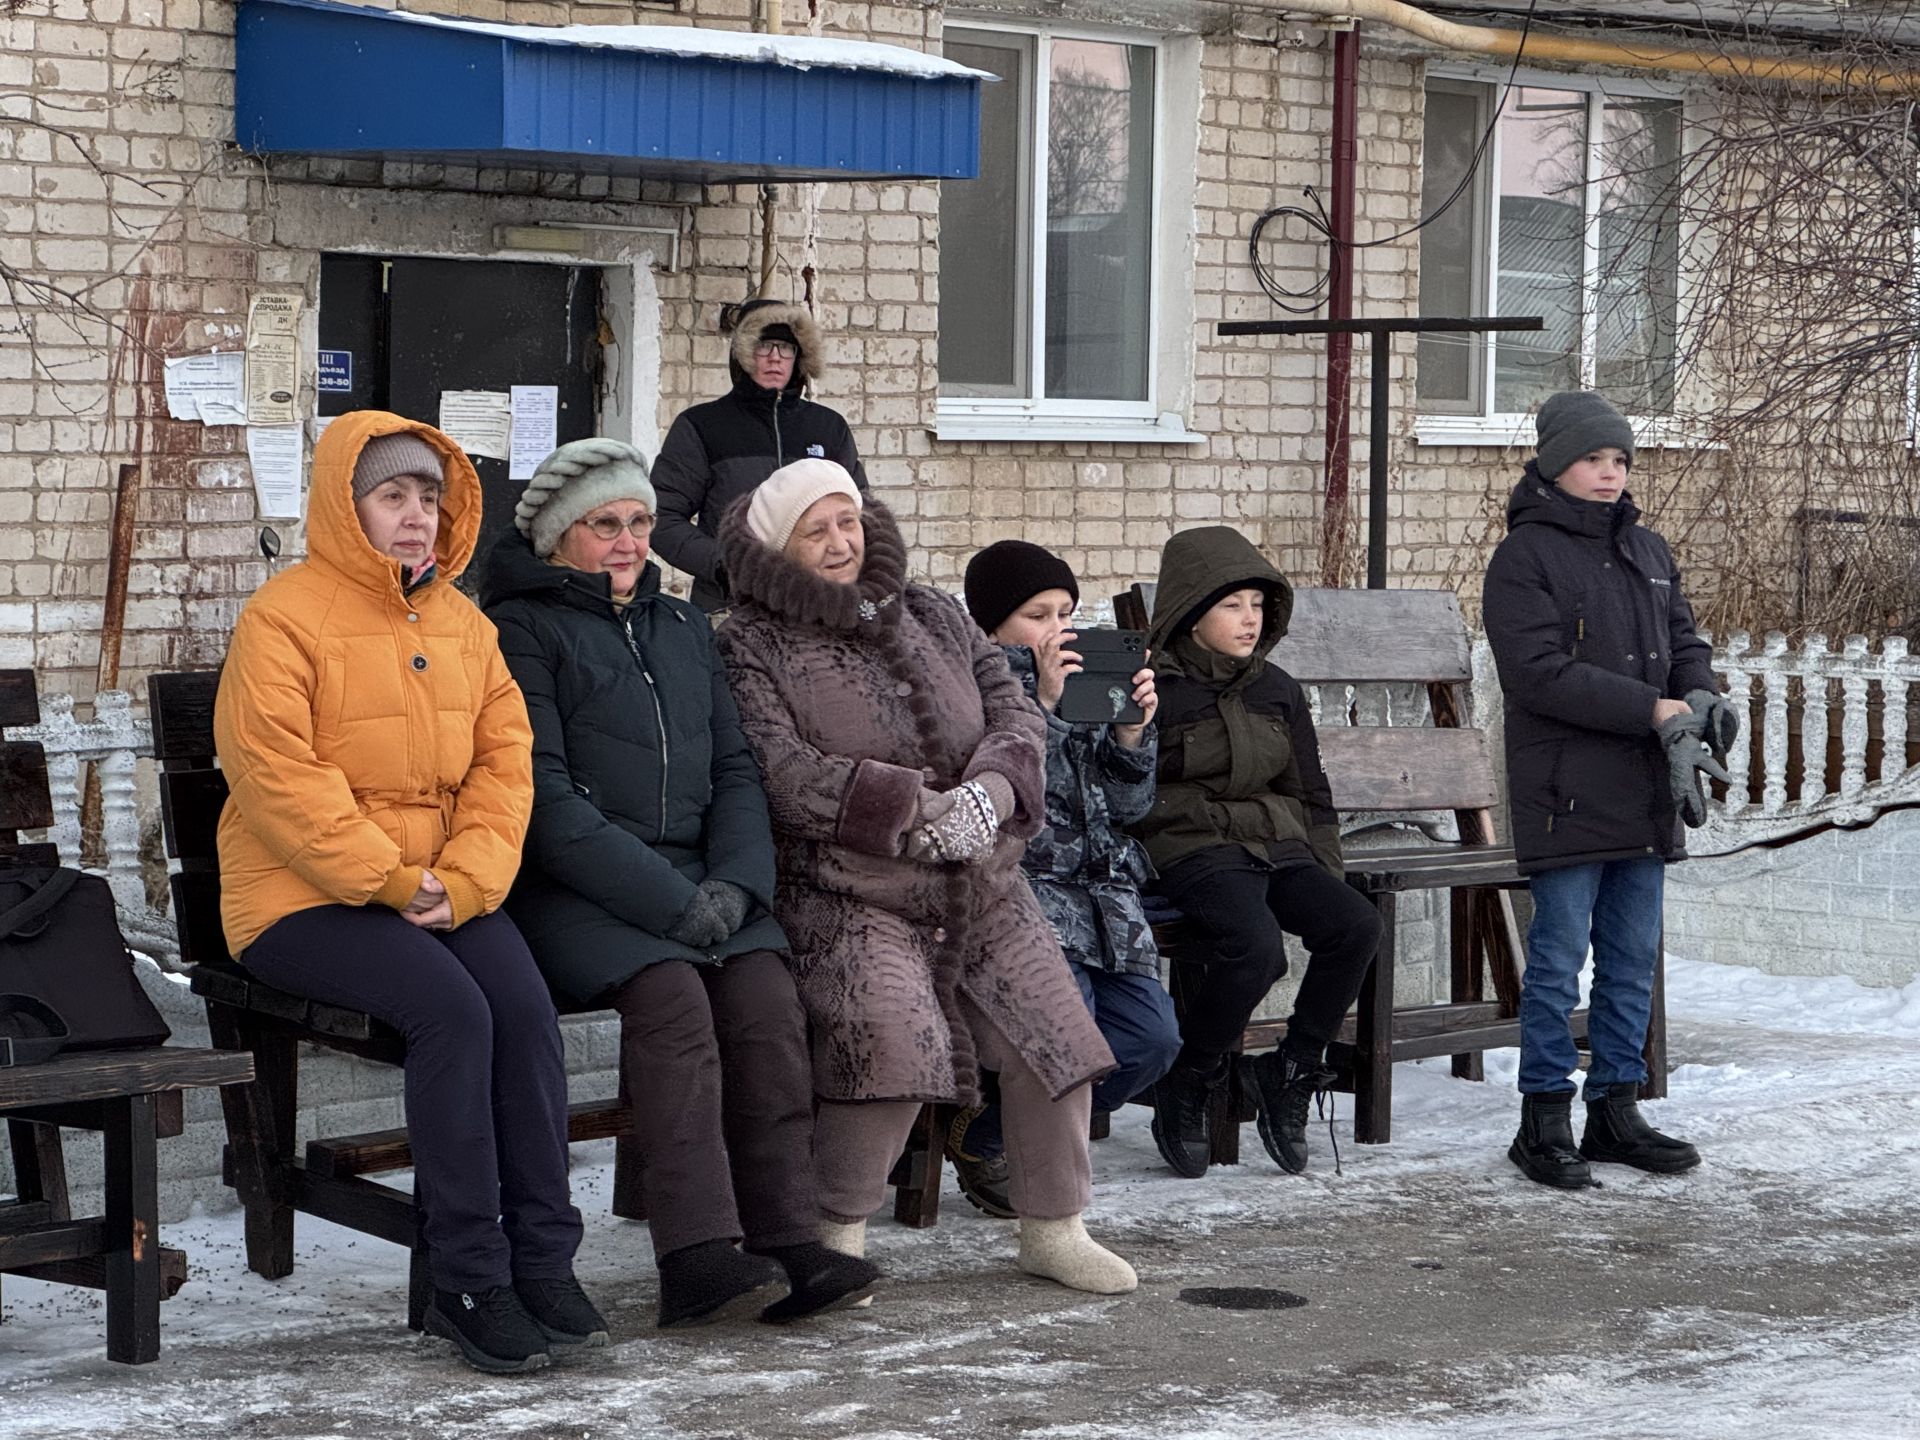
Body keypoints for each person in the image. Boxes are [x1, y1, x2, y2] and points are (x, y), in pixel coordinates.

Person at [213, 412, 604, 1375]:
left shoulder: (466, 626)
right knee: (451, 1012)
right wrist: (388, 881)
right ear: (349, 510)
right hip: (298, 898)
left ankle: (543, 1262)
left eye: (430, 498)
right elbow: (276, 777)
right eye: (393, 496)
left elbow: (505, 771)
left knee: (522, 1007)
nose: (416, 517)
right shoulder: (282, 617)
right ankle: (467, 1278)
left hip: (435, 887)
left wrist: (465, 882)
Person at [481, 437, 881, 1327]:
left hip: (704, 882)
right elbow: (542, 802)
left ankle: (783, 1239)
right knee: (674, 1005)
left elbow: (737, 772)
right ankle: (696, 1255)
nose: (628, 543)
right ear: (556, 540)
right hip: (576, 891)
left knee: (770, 1007)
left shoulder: (682, 627)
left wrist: (736, 887)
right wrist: (673, 904)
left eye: (638, 523)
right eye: (604, 526)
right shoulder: (521, 631)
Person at [715, 459, 1136, 1295]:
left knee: (1053, 1029)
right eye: (816, 530)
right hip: (847, 888)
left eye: (848, 521)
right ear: (775, 547)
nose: (840, 543)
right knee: (890, 1040)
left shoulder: (933, 611)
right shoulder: (749, 643)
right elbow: (781, 769)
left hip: (983, 873)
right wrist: (914, 811)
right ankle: (835, 1232)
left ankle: (1054, 1227)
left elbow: (1015, 709)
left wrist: (990, 794)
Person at [1483, 391, 1724, 1189]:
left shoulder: (1649, 551)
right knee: (1557, 962)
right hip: (1567, 791)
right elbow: (1537, 674)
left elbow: (1686, 640)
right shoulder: (1526, 558)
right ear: (1557, 465)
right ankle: (1542, 1115)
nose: (1610, 473)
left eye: (1620, 460)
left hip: (1646, 790)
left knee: (1631, 960)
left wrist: (1701, 694)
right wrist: (1653, 709)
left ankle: (1615, 1110)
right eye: (1594, 459)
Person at [1131, 527, 1382, 1180]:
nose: (1250, 619)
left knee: (1355, 923)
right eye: (1231, 605)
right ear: (1190, 612)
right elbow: (1128, 786)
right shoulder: (1153, 689)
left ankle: (1290, 1071)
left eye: (1257, 604)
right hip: (1195, 848)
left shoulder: (1276, 689)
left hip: (1277, 845)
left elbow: (1310, 791)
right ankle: (1191, 1079)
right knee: (1257, 948)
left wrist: (1326, 874)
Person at [948, 540, 1179, 1217]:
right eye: (1037, 615)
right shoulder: (976, 692)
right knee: (1064, 1037)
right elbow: (1013, 804)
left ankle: (985, 1131)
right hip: (1027, 898)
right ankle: (1019, 1161)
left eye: (1067, 613)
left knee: (1150, 1042)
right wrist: (1043, 710)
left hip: (1105, 897)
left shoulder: (1089, 683)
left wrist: (1134, 738)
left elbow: (1130, 809)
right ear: (992, 627)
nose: (1058, 630)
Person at [651, 298, 867, 612]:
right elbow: (662, 517)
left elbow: (862, 510)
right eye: (763, 346)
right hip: (730, 606)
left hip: (817, 603)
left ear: (800, 357)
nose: (775, 358)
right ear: (742, 354)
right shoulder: (702, 425)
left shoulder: (828, 427)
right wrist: (728, 567)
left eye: (786, 348)